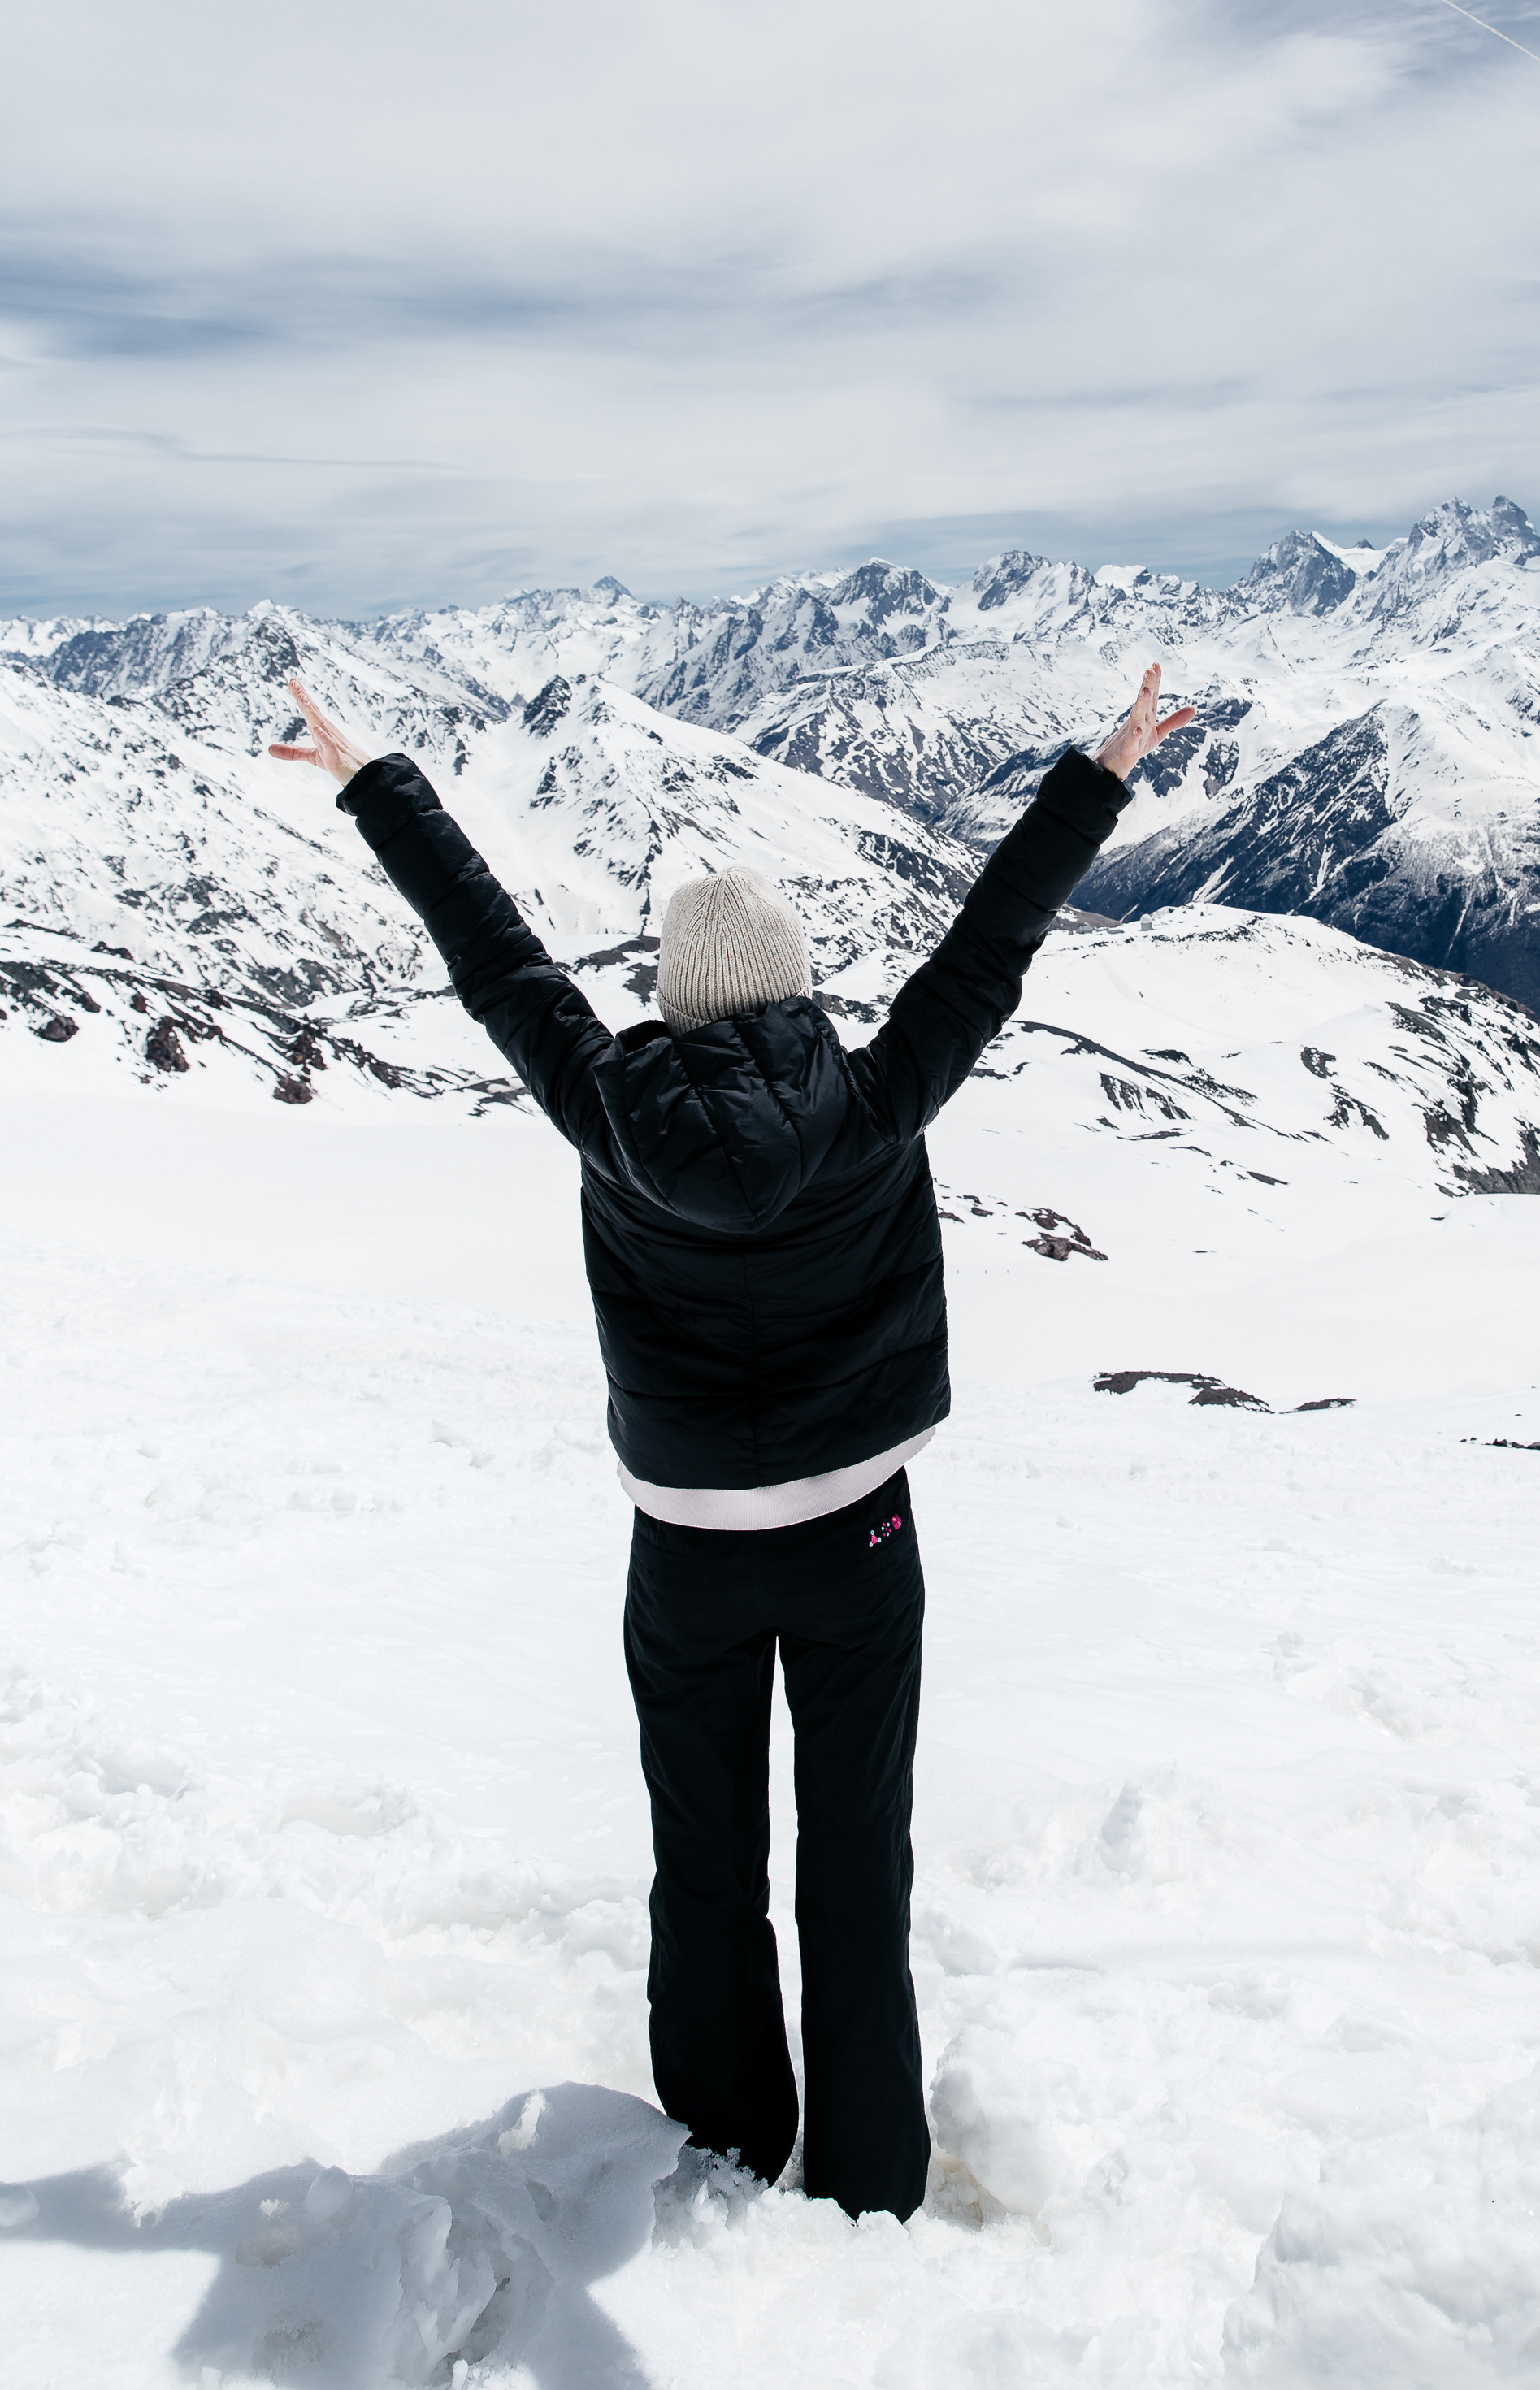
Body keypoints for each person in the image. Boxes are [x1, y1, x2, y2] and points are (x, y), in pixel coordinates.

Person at [270, 662, 1193, 2222]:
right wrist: (1097, 774)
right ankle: (872, 2178)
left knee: (704, 1861)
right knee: (857, 1864)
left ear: (683, 997)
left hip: (687, 1549)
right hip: (863, 1541)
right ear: (793, 984)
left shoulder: (605, 1101)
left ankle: (719, 2150)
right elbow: (991, 943)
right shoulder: (879, 1094)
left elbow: (491, 955)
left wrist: (378, 783)